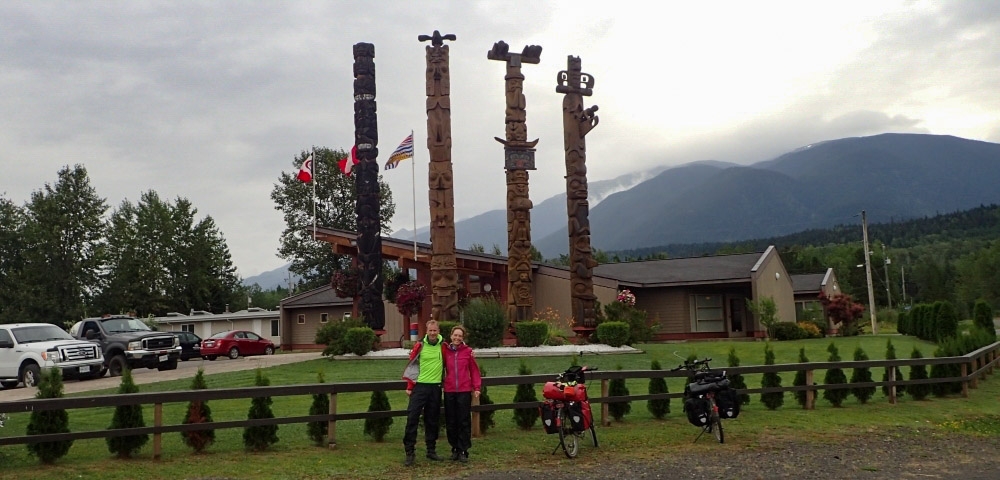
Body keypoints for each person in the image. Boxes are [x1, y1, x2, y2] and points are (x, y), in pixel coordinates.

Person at [401, 320, 445, 466]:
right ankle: (410, 452)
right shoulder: (420, 346)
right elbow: (412, 365)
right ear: (426, 331)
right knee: (412, 417)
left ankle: (431, 450)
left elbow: (455, 356)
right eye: (430, 330)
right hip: (420, 387)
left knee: (432, 420)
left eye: (435, 330)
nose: (432, 333)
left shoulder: (443, 346)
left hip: (435, 387)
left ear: (438, 331)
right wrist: (409, 386)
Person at [443, 325, 481, 463]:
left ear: (463, 338)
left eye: (460, 336)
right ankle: (454, 447)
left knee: (463, 421)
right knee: (451, 421)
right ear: (451, 335)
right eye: (455, 335)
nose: (457, 338)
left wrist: (476, 387)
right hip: (449, 390)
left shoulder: (468, 352)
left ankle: (463, 449)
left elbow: (474, 371)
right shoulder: (445, 351)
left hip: (464, 390)